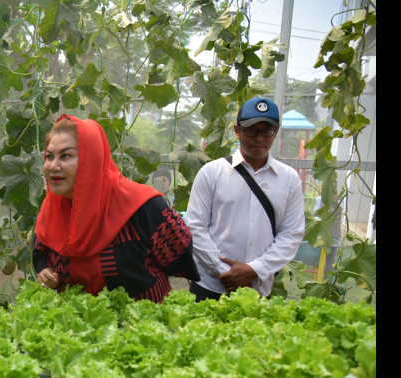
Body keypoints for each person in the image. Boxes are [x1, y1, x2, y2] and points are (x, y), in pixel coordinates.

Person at [32, 114, 199, 303]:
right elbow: (40, 251)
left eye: (66, 156)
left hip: (141, 326)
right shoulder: (52, 209)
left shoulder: (142, 205)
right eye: (49, 156)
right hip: (79, 327)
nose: (53, 166)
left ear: (92, 159)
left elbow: (180, 252)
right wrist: (45, 270)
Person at [183, 97, 305, 301]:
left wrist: (254, 270)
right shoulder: (212, 173)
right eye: (251, 130)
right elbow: (195, 227)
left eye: (267, 131)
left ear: (275, 133)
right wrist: (226, 273)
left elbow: (291, 234)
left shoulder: (289, 179)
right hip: (210, 287)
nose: (259, 138)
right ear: (237, 131)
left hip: (256, 289)